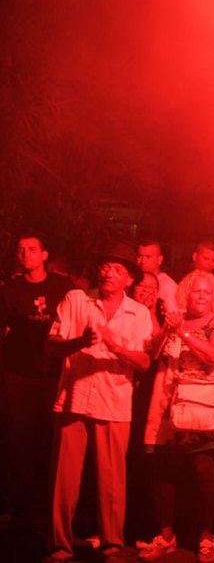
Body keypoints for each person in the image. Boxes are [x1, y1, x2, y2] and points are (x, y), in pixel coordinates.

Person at [43, 243, 152, 563]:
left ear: (129, 279)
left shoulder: (139, 313)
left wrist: (116, 347)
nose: (108, 272)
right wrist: (79, 341)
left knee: (112, 481)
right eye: (106, 266)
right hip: (72, 400)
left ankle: (112, 545)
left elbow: (144, 362)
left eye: (118, 269)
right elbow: (50, 347)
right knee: (63, 480)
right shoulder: (77, 300)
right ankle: (59, 545)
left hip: (114, 401)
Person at [136, 270, 214, 563]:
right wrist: (167, 328)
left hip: (199, 405)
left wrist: (183, 333)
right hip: (165, 402)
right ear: (186, 294)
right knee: (161, 469)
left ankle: (206, 536)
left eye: (206, 291)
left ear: (213, 296)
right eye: (196, 291)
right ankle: (166, 536)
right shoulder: (175, 320)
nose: (201, 296)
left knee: (203, 469)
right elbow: (151, 355)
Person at [0, 234, 73, 529]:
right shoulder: (10, 289)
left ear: (44, 254)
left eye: (31, 250)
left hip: (51, 374)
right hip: (18, 374)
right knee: (19, 440)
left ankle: (49, 508)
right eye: (21, 250)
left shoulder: (62, 287)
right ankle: (21, 508)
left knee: (50, 440)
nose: (25, 254)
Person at [137, 239, 179, 313]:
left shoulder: (168, 286)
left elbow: (173, 317)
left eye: (148, 257)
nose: (142, 261)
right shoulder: (135, 279)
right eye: (140, 256)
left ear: (160, 259)